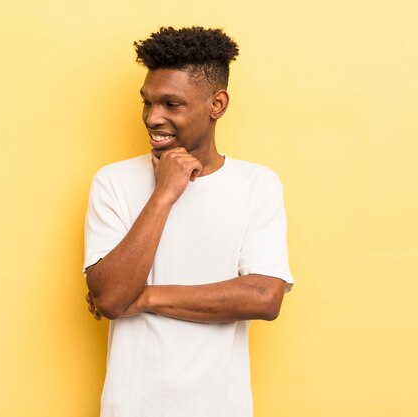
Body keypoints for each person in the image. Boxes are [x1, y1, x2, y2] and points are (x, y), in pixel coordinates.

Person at [83, 26, 294, 417]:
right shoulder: (112, 182)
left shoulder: (257, 185)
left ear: (217, 104)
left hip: (221, 407)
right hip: (131, 406)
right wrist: (164, 195)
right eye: (147, 103)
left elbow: (265, 297)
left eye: (171, 104)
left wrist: (144, 296)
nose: (152, 117)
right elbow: (111, 298)